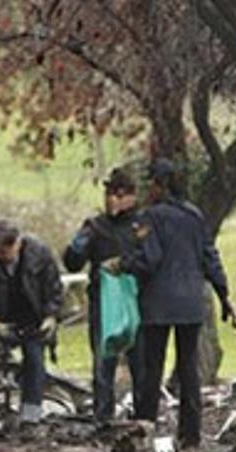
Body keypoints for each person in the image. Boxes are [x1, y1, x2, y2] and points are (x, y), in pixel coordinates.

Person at [108, 159, 236, 448]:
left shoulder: (149, 218)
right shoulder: (194, 215)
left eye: (151, 182)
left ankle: (145, 429)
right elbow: (209, 256)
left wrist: (124, 264)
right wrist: (224, 294)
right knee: (188, 366)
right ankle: (191, 434)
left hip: (158, 304)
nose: (148, 189)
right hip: (191, 304)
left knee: (152, 366)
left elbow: (149, 260)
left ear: (160, 185)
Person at [0, 220, 64, 431]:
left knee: (35, 359)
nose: (5, 256)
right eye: (1, 251)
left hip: (31, 315)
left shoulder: (40, 253)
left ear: (20, 243)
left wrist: (51, 316)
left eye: (10, 250)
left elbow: (54, 288)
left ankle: (30, 416)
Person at [63, 168, 144, 424]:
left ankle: (143, 416)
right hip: (103, 301)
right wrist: (77, 247)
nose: (113, 200)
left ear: (132, 196)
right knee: (103, 361)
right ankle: (103, 417)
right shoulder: (95, 226)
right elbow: (72, 263)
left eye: (119, 194)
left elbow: (152, 259)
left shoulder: (142, 225)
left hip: (136, 300)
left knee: (140, 362)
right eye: (109, 193)